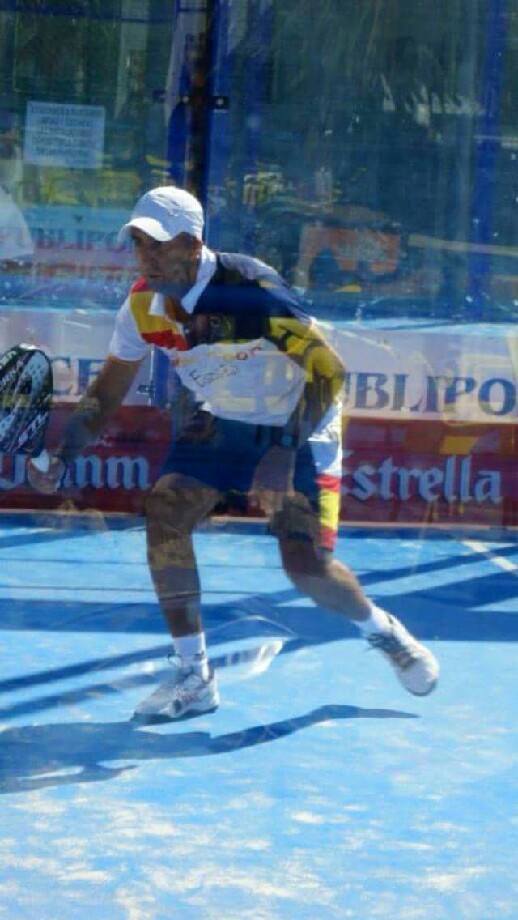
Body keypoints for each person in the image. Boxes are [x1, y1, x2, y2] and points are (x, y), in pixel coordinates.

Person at [28, 186, 439, 721]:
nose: (146, 256)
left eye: (158, 244)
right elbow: (108, 390)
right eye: (138, 243)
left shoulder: (252, 289)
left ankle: (380, 630)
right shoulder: (142, 306)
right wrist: (63, 454)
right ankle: (194, 675)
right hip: (224, 420)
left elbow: (329, 371)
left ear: (193, 243)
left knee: (307, 569)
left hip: (300, 420)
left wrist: (282, 452)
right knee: (165, 511)